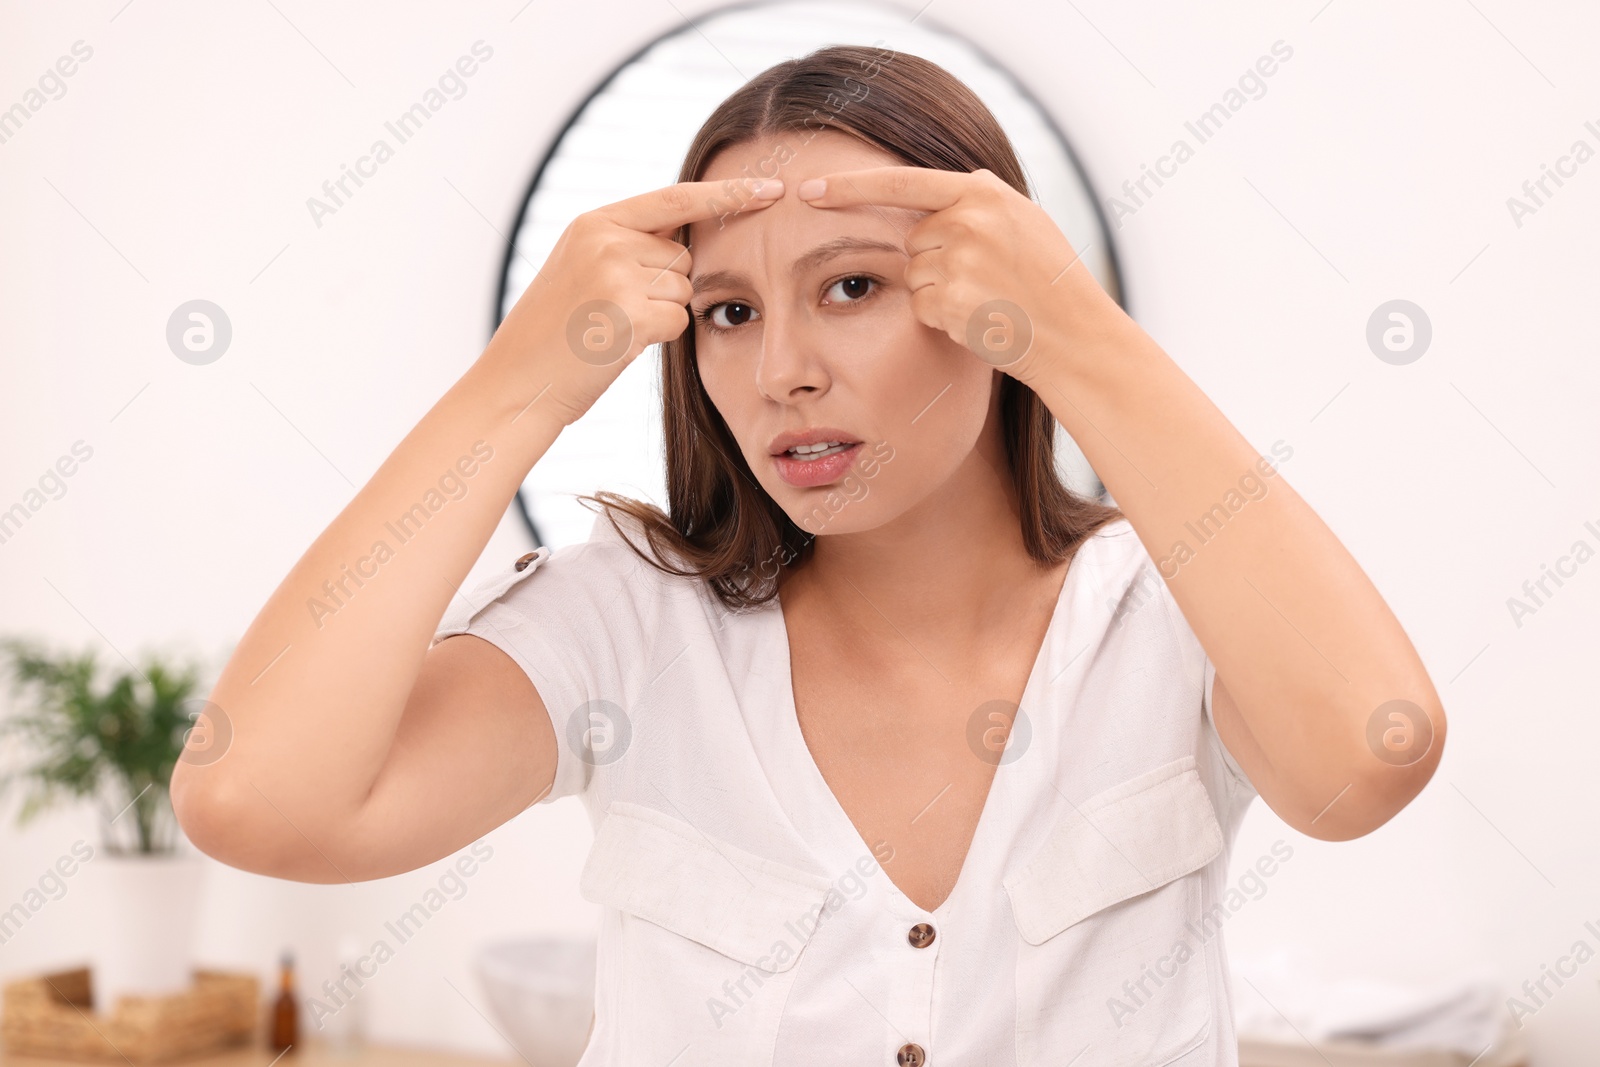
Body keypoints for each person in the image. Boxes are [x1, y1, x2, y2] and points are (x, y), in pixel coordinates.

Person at [173, 43, 1446, 1066]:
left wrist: (1076, 337)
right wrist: (514, 387)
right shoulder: (627, 626)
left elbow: (1369, 756)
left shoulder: (1167, 614)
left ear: (987, 296)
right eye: (729, 311)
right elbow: (256, 800)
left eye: (852, 287)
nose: (781, 370)